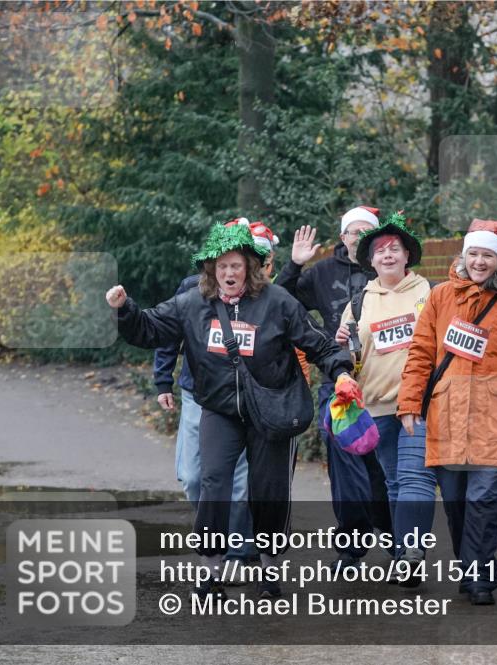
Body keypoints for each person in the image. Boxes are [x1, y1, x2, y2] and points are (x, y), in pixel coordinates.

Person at [106, 221, 354, 599]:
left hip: (271, 409)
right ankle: (210, 570)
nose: (228, 273)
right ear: (211, 271)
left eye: (235, 266)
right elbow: (150, 329)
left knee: (267, 489)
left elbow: (319, 344)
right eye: (221, 267)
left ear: (251, 267)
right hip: (220, 409)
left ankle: (269, 567)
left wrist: (340, 374)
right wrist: (124, 308)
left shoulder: (277, 303)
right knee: (213, 482)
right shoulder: (193, 303)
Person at [398, 221, 497, 606]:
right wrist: (410, 404)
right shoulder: (439, 297)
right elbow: (420, 353)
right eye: (474, 254)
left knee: (484, 498)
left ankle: (479, 574)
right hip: (447, 414)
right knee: (455, 501)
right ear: (462, 257)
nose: (480, 262)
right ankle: (471, 565)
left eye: (488, 255)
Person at [152, 219, 279, 574]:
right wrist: (163, 381)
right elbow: (165, 332)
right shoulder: (192, 289)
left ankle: (233, 555)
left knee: (236, 481)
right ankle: (214, 530)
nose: (231, 270)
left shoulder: (266, 295)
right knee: (194, 477)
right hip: (199, 393)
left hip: (246, 398)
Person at [277, 205, 393, 569]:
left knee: (381, 467)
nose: (358, 237)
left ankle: (395, 541)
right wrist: (295, 265)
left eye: (365, 232)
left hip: (384, 384)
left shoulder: (389, 266)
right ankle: (352, 547)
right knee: (346, 466)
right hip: (338, 382)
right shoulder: (322, 273)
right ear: (342, 237)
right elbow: (277, 301)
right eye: (352, 231)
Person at [333, 213, 433, 573]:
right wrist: (341, 345)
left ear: (408, 255)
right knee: (392, 481)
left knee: (415, 477)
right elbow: (346, 354)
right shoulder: (359, 302)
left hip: (419, 403)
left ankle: (412, 555)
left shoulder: (430, 293)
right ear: (370, 260)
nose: (388, 255)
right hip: (375, 405)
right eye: (380, 251)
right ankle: (406, 551)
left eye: (395, 249)